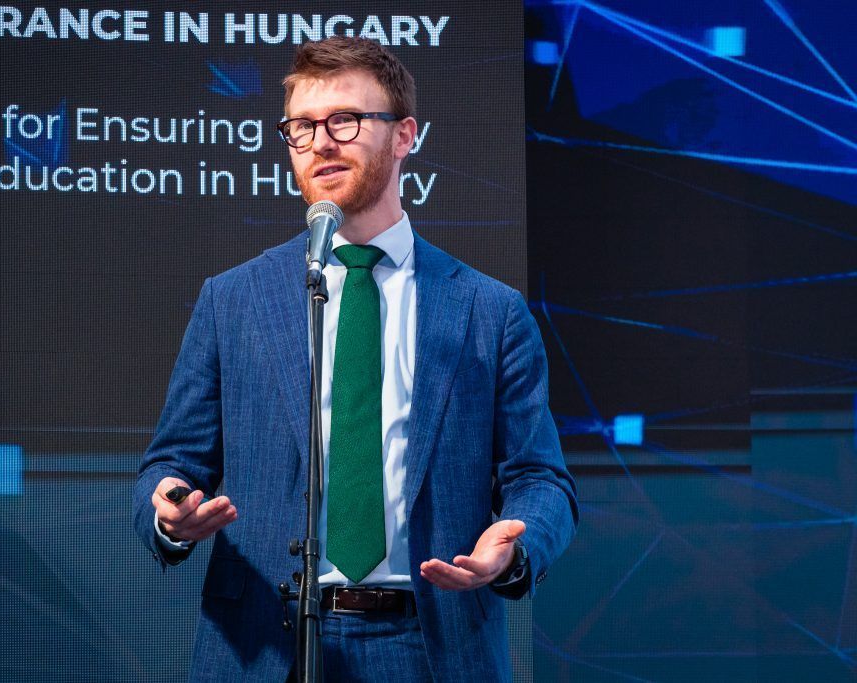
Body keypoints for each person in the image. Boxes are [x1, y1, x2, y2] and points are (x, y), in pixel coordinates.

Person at [133, 36, 577, 682]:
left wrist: (511, 550)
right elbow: (169, 463)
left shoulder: (490, 311)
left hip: (430, 647)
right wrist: (167, 509)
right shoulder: (233, 300)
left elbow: (543, 480)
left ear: (404, 135)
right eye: (302, 127)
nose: (320, 142)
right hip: (265, 646)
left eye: (345, 120)